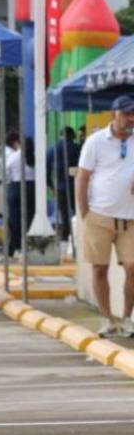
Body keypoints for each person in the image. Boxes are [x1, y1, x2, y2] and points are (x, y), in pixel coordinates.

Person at [75, 96, 134, 338]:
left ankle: (127, 318)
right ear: (114, 114)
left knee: (132, 267)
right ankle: (108, 319)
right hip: (99, 215)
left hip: (131, 218)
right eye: (126, 114)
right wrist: (85, 213)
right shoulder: (95, 141)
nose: (131, 119)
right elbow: (82, 177)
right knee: (99, 268)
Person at [4, 133, 37, 258]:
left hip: (15, 187)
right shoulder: (35, 158)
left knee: (15, 220)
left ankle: (17, 248)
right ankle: (28, 246)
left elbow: (6, 173)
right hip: (31, 188)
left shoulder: (13, 156)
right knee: (30, 218)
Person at [47, 127, 80, 243]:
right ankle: (78, 234)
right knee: (78, 211)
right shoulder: (78, 148)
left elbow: (46, 170)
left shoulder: (52, 149)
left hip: (60, 187)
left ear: (60, 136)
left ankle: (65, 236)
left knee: (64, 213)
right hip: (76, 185)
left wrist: (51, 186)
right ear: (72, 136)